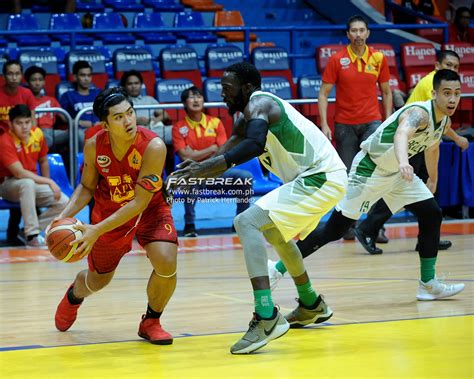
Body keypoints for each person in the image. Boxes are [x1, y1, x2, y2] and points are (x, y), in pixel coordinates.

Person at [171, 62, 347, 354]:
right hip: (315, 179)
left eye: (227, 89)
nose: (222, 95)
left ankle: (266, 316)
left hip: (321, 177)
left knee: (246, 222)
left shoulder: (261, 103)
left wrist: (206, 168)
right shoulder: (246, 117)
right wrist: (196, 171)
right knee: (276, 234)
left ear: (248, 88)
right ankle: (311, 304)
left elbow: (253, 145)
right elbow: (226, 153)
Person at [269, 69, 465, 302]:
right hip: (371, 169)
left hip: (397, 175)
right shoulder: (419, 113)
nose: (452, 99)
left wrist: (433, 179)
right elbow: (401, 134)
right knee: (335, 230)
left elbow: (432, 148)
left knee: (432, 213)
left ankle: (428, 284)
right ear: (434, 93)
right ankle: (277, 268)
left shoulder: (443, 122)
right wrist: (404, 162)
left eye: (456, 93)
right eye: (446, 93)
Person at [53, 87, 178, 345]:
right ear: (105, 124)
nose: (128, 120)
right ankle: (74, 295)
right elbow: (86, 187)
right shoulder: (93, 146)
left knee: (166, 262)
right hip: (109, 214)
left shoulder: (153, 146)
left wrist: (95, 229)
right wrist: (60, 218)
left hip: (150, 210)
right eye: (119, 117)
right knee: (98, 282)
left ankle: (151, 321)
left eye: (130, 113)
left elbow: (139, 201)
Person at [355, 50, 467, 254]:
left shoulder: (447, 87)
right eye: (448, 65)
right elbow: (435, 120)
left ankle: (426, 238)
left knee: (428, 190)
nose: (452, 70)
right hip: (409, 142)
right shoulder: (431, 85)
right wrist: (458, 138)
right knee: (405, 189)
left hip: (423, 141)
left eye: (456, 67)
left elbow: (439, 126)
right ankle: (368, 228)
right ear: (437, 66)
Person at [318, 15, 392, 240]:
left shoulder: (379, 58)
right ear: (347, 34)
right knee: (349, 178)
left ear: (368, 33)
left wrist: (387, 123)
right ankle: (348, 227)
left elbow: (387, 92)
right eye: (354, 31)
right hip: (344, 126)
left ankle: (374, 227)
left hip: (372, 122)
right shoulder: (337, 60)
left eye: (362, 30)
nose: (358, 34)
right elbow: (323, 93)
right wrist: (323, 125)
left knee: (374, 175)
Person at [172, 86, 253, 237]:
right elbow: (185, 157)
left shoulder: (215, 122)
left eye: (199, 96)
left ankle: (240, 222)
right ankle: (190, 225)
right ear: (184, 103)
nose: (196, 100)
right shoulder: (178, 127)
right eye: (191, 97)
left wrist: (195, 154)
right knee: (188, 180)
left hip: (217, 171)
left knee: (245, 177)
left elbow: (222, 152)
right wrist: (211, 148)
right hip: (194, 173)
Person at [0, 105, 68, 247]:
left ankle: (27, 231)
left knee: (63, 201)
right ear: (10, 124)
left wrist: (46, 183)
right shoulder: (4, 140)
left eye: (27, 122)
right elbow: (19, 173)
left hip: (31, 183)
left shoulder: (37, 134)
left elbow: (43, 160)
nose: (24, 127)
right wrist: (48, 181)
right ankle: (32, 236)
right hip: (7, 186)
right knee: (26, 183)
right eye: (19, 123)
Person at [0, 60, 37, 245]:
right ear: (4, 75)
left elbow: (33, 120)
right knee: (22, 182)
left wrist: (32, 136)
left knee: (26, 183)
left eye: (17, 73)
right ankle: (18, 233)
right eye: (9, 73)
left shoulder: (26, 93)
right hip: (5, 141)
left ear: (21, 75)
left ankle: (20, 232)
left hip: (22, 139)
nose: (13, 77)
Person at [120, 70, 174, 176]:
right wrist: (136, 121)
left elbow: (166, 114)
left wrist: (156, 120)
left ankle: (174, 169)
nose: (133, 86)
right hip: (136, 131)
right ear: (124, 86)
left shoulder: (149, 99)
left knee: (174, 130)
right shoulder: (122, 101)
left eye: (136, 83)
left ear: (141, 85)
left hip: (154, 129)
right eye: (130, 84)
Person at [24, 66, 73, 151]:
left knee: (76, 134)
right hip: (34, 132)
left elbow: (65, 118)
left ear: (44, 82)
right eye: (33, 80)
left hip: (52, 132)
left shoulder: (51, 100)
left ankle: (75, 162)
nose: (37, 83)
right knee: (45, 138)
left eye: (40, 80)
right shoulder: (24, 100)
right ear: (28, 82)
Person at [59, 60, 101, 148]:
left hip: (100, 128)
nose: (86, 78)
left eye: (89, 75)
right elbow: (63, 117)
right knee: (79, 135)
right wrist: (80, 122)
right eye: (83, 75)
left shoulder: (98, 93)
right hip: (80, 130)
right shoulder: (68, 96)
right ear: (75, 76)